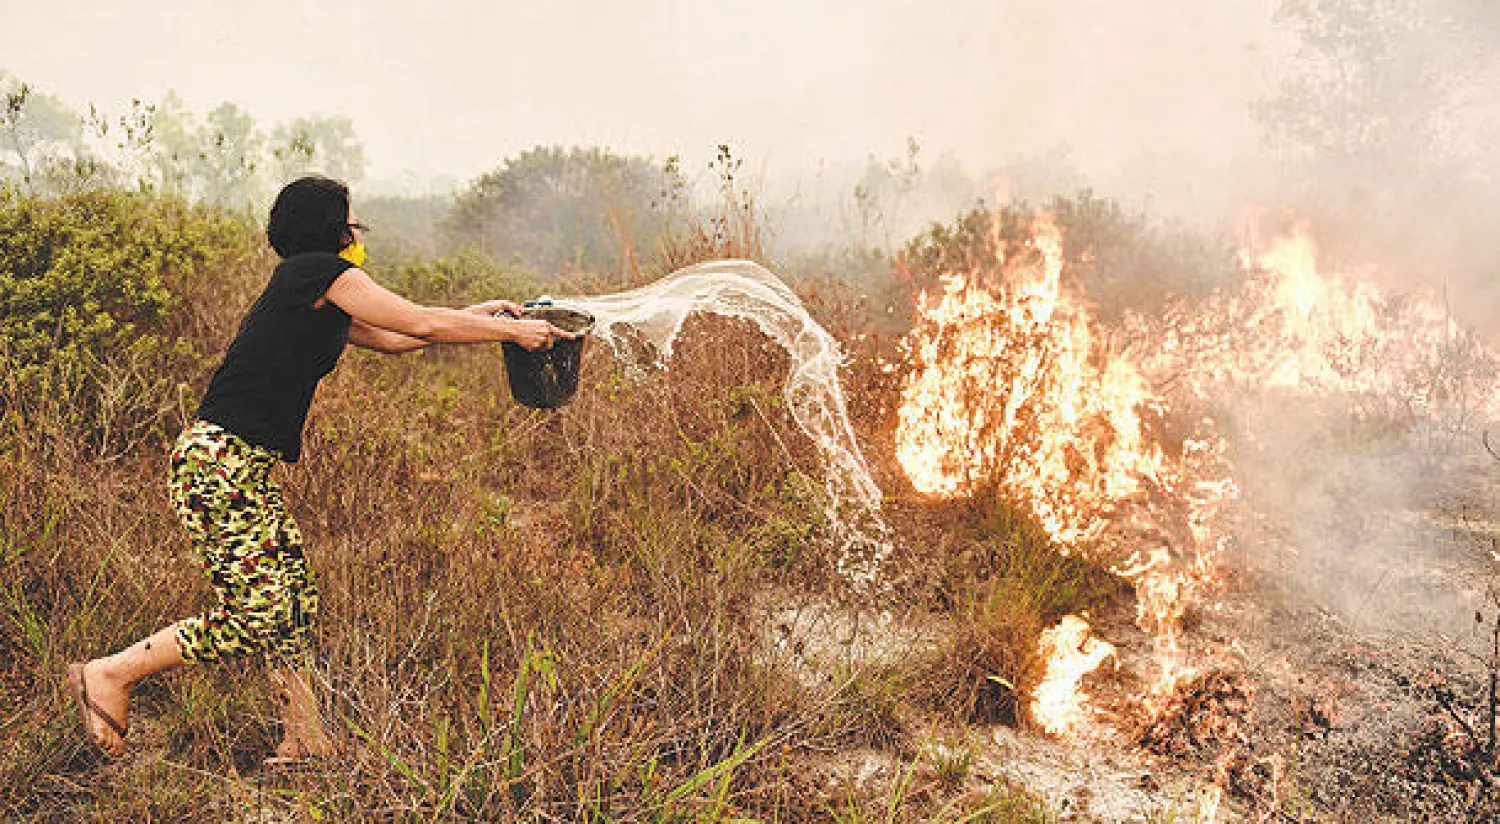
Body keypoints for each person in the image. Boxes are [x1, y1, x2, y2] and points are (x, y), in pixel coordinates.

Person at [66, 175, 569, 762]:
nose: (357, 229)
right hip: (217, 463)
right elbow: (421, 324)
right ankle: (112, 672)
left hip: (236, 466)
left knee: (293, 604)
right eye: (349, 218)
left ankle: (304, 739)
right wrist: (512, 330)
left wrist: (480, 316)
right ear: (331, 225)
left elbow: (401, 336)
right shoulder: (320, 274)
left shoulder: (315, 288)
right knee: (258, 614)